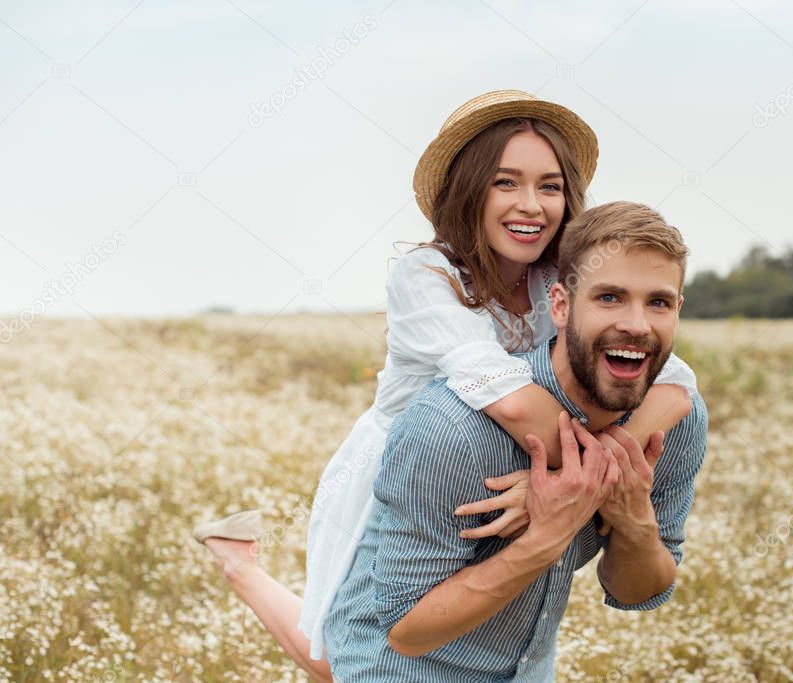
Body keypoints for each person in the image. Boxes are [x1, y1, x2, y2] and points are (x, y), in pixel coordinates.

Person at [191, 91, 698, 682]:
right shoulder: (429, 276)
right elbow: (509, 399)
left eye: (550, 186)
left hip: (522, 449)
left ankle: (238, 561)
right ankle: (239, 565)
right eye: (506, 183)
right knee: (351, 647)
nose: (530, 205)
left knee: (367, 648)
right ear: (471, 188)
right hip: (407, 461)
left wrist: (586, 473)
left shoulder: (560, 279)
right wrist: (582, 480)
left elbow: (675, 382)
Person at [324, 200, 708, 681]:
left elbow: (640, 592)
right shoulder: (451, 428)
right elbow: (405, 632)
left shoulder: (674, 423)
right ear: (561, 306)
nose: (637, 324)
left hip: (526, 670)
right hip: (400, 670)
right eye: (609, 297)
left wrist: (635, 523)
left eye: (658, 302)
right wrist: (547, 537)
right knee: (323, 637)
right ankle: (239, 564)